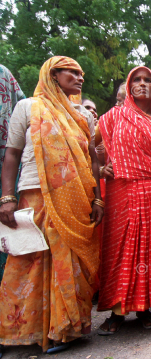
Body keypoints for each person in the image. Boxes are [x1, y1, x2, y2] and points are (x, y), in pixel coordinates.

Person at [0, 56, 102, 354]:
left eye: (81, 72)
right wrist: (6, 197)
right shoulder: (28, 107)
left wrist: (97, 197)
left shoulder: (83, 114)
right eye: (71, 71)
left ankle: (67, 329)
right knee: (29, 263)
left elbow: (93, 159)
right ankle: (24, 332)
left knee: (69, 263)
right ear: (52, 75)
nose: (79, 77)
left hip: (76, 199)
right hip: (35, 193)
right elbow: (12, 154)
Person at [97, 66, 151, 333]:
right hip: (121, 191)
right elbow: (91, 145)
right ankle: (117, 310)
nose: (143, 84)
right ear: (129, 86)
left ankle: (145, 308)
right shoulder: (112, 117)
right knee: (119, 248)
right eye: (137, 80)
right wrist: (100, 168)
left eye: (148, 80)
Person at [0, 64, 25, 283]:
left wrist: (7, 195)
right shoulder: (30, 107)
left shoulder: (4, 75)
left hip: (6, 171)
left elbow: (15, 149)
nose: (78, 77)